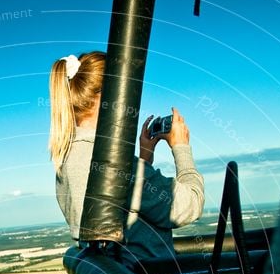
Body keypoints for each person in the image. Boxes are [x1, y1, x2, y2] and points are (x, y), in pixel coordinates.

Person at [48, 51, 205, 260]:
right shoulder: (111, 162)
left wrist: (144, 158)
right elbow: (189, 206)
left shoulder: (68, 157)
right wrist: (181, 147)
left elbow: (122, 202)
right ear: (109, 96)